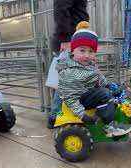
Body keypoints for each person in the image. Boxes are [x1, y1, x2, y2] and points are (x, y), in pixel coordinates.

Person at [57, 22, 131, 137]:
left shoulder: (87, 63)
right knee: (105, 94)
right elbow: (70, 98)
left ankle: (109, 109)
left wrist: (108, 84)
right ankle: (110, 126)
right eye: (82, 50)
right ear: (73, 50)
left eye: (91, 51)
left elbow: (97, 76)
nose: (87, 55)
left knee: (111, 89)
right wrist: (83, 116)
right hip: (78, 100)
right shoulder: (70, 72)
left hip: (85, 92)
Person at [47, 0, 90, 129]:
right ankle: (55, 116)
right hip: (69, 41)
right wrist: (65, 39)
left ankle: (59, 114)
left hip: (74, 39)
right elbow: (61, 9)